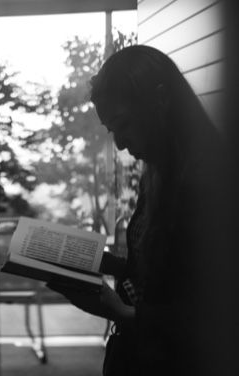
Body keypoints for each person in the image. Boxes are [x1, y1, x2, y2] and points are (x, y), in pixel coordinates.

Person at [48, 45, 231, 375]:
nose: (118, 144)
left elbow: (215, 313)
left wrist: (120, 312)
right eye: (111, 130)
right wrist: (104, 262)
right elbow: (161, 272)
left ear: (160, 100)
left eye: (123, 123)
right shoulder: (163, 168)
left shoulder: (210, 181)